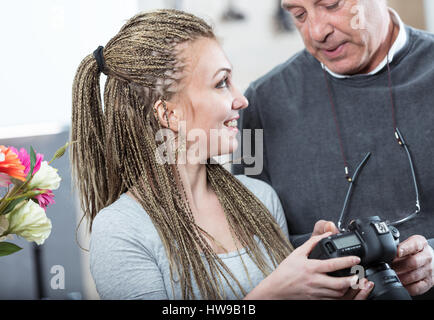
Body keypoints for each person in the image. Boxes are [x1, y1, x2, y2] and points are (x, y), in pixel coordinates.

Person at [70, 9, 373, 300]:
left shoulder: (260, 199)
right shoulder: (121, 231)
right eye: (221, 83)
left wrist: (323, 284)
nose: (241, 99)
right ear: (168, 114)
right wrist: (275, 293)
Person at [233, 0, 434, 298]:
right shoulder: (258, 105)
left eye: (331, 4)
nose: (316, 31)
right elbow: (248, 236)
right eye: (299, 15)